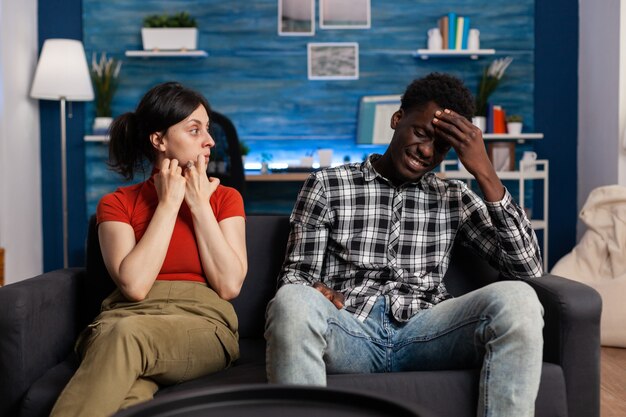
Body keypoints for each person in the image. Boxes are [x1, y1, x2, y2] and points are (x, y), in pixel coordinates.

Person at [265, 73, 544, 417]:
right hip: (351, 330)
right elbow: (295, 277)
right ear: (398, 120)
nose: (426, 151)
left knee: (520, 299)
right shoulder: (327, 184)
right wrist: (313, 290)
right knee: (292, 301)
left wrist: (486, 173)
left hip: (428, 332)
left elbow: (529, 269)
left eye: (441, 146)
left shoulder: (454, 196)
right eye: (421, 133)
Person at [51, 82, 247, 417]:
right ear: (159, 140)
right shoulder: (116, 203)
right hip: (124, 320)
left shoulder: (225, 199)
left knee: (127, 335)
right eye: (194, 130)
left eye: (208, 130)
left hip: (201, 325)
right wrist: (168, 206)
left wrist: (199, 206)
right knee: (128, 397)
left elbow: (229, 286)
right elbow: (136, 286)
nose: (210, 141)